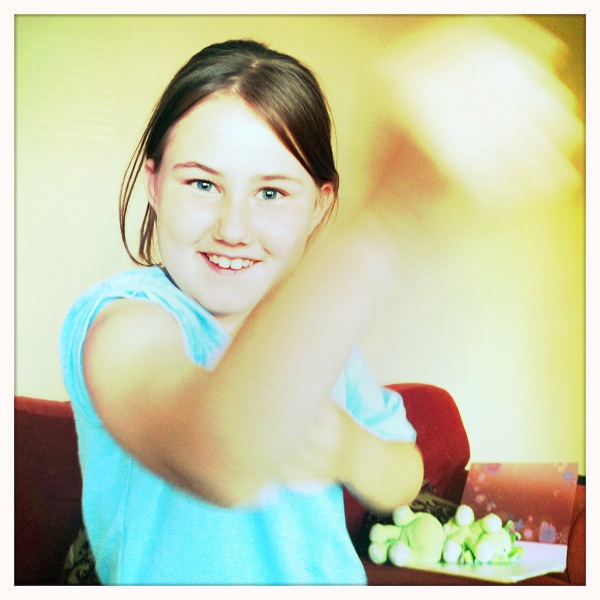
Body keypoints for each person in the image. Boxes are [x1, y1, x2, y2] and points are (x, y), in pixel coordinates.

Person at [59, 38, 427, 586]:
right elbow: (218, 458)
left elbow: (404, 473)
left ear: (320, 204)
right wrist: (388, 215)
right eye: (203, 184)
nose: (232, 229)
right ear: (154, 184)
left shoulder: (319, 336)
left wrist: (351, 450)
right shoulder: (122, 322)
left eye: (271, 193)